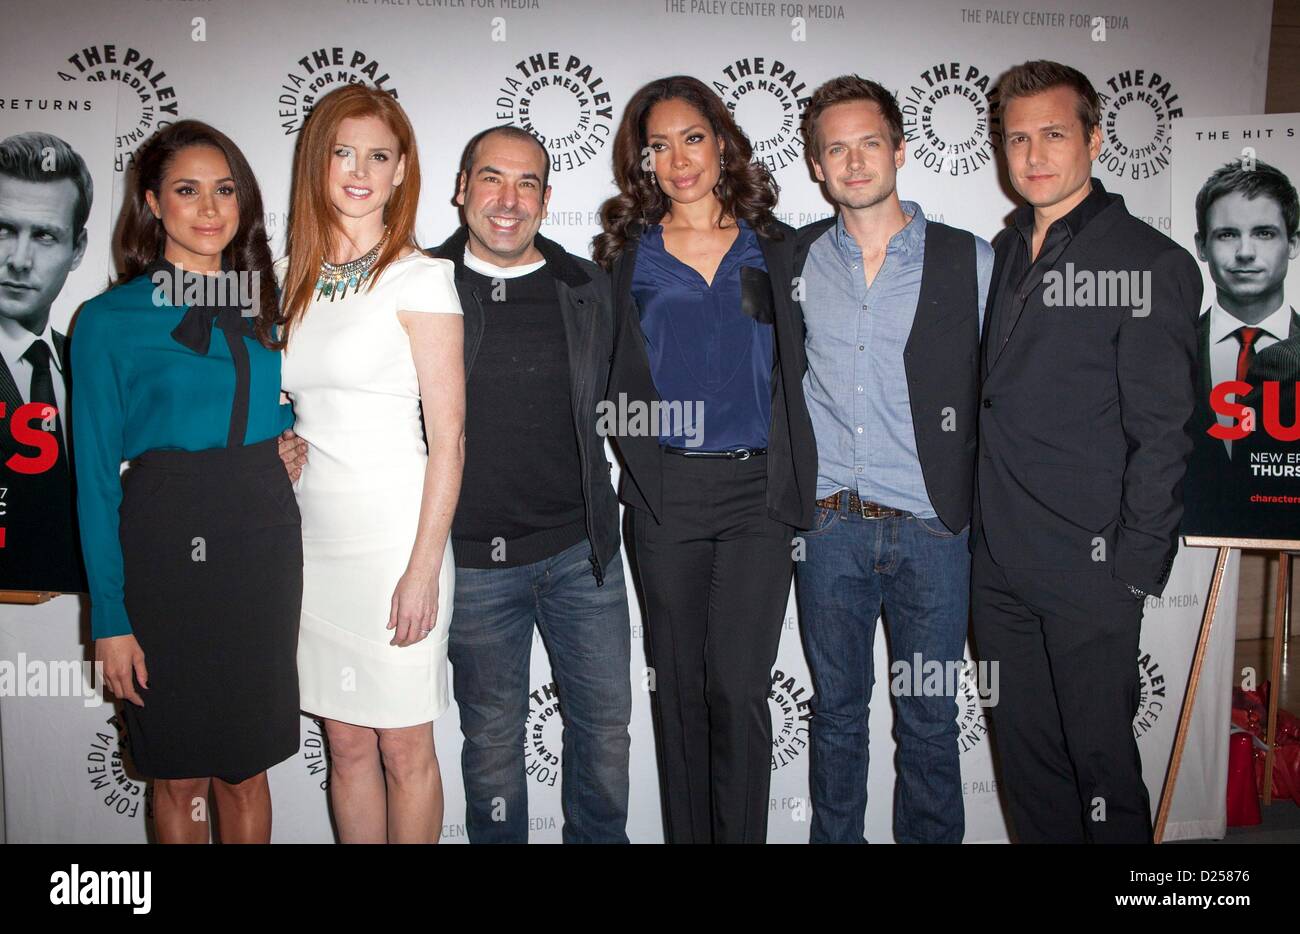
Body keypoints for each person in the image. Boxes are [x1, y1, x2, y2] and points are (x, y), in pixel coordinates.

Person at [971, 60, 1200, 844]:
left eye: (1055, 134)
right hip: (996, 560)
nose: (1034, 154)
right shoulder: (1001, 253)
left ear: (1096, 139)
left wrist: (1134, 567)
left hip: (1090, 567)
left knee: (1101, 765)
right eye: (1018, 138)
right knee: (1027, 765)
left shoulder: (1151, 262)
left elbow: (1166, 432)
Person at [597, 75, 816, 844]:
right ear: (643, 162)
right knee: (680, 693)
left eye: (692, 137)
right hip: (668, 494)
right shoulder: (626, 257)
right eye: (659, 145)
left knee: (738, 688)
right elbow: (599, 373)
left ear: (721, 142)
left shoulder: (782, 247)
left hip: (761, 493)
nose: (679, 158)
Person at [71, 120, 303, 843]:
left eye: (225, 189)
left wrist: (284, 441)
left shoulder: (272, 301)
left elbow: (315, 398)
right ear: (152, 203)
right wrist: (108, 619)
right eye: (187, 190)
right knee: (176, 771)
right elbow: (93, 480)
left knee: (245, 767)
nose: (209, 208)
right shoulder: (107, 321)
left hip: (261, 544)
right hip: (164, 548)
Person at [791, 75, 993, 844]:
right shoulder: (798, 264)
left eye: (868, 142)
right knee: (837, 719)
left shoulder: (970, 260)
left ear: (900, 150)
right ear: (816, 165)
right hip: (829, 527)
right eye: (835, 148)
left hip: (933, 530)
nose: (853, 161)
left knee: (931, 724)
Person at [425, 125, 631, 844]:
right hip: (474, 563)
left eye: (527, 184)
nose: (507, 200)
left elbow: (629, 399)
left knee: (604, 735)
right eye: (491, 178)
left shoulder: (586, 287)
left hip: (583, 555)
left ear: (547, 199)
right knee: (491, 746)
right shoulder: (420, 284)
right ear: (461, 189)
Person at [279, 85, 465, 844]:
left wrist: (422, 567)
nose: (358, 170)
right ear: (317, 163)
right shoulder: (291, 274)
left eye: (377, 156)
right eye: (342, 152)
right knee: (346, 743)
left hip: (397, 538)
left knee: (403, 745)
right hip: (313, 540)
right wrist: (281, 444)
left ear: (400, 171)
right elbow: (289, 401)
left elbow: (450, 439)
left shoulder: (420, 278)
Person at [1184, 160, 1300, 539]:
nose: (1245, 252)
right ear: (1202, 246)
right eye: (1227, 235)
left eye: (1264, 233)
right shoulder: (1171, 349)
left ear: (1293, 243)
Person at [0, 132, 91, 592]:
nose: (18, 259)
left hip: (82, 626)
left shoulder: (89, 365)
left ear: (77, 250)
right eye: (3, 230)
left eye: (44, 235)